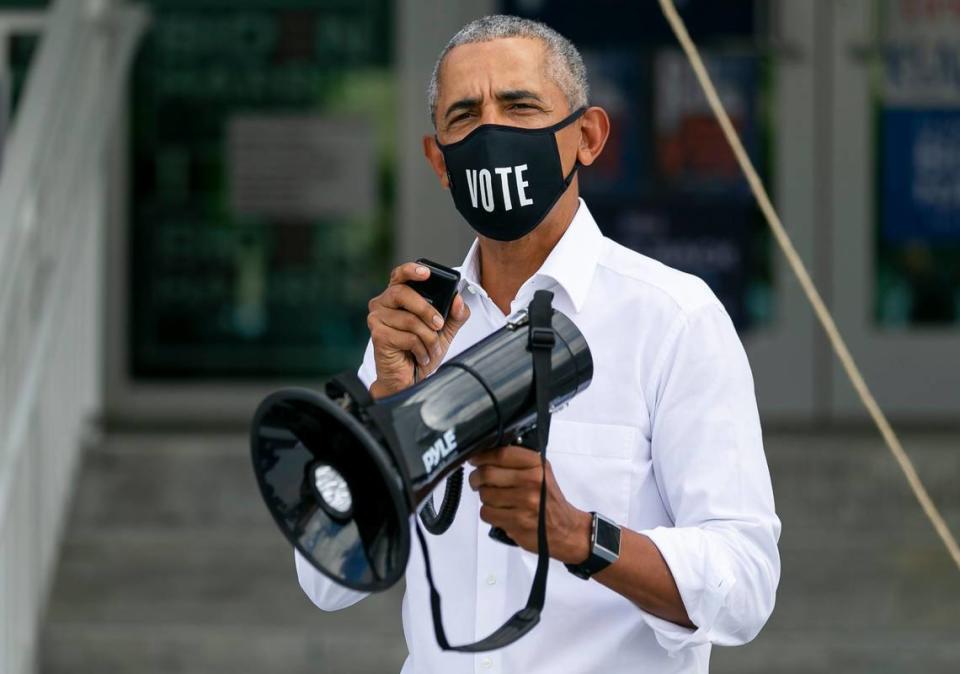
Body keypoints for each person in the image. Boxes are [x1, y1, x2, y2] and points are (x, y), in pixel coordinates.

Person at [296, 15, 780, 674]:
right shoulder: (416, 328)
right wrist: (387, 414)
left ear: (587, 136)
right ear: (439, 160)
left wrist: (581, 537)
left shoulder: (672, 319)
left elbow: (744, 586)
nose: (492, 133)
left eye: (521, 106)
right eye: (464, 116)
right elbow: (325, 581)